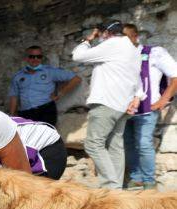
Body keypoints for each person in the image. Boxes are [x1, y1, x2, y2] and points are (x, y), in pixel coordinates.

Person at [72, 19, 146, 189]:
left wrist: (88, 39)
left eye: (100, 33)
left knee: (93, 144)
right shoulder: (131, 48)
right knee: (115, 145)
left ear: (105, 33)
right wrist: (137, 96)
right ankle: (116, 188)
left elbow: (78, 55)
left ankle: (111, 185)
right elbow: (137, 76)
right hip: (123, 104)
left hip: (107, 103)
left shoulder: (111, 44)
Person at [122, 24, 177, 190]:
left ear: (136, 37)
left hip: (147, 109)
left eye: (126, 39)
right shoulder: (120, 56)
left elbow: (175, 76)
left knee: (143, 144)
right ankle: (135, 178)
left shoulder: (154, 52)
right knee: (129, 144)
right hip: (124, 110)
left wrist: (162, 101)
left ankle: (149, 182)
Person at [8, 45, 82, 126]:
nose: (35, 59)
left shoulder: (50, 72)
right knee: (28, 138)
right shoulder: (18, 76)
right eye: (32, 56)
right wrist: (12, 116)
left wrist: (60, 93)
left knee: (47, 137)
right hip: (26, 113)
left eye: (38, 56)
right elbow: (14, 96)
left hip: (46, 111)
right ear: (26, 58)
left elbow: (76, 79)